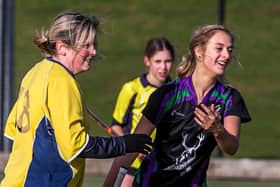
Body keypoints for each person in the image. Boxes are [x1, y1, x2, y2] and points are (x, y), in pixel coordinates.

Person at [0, 11, 153, 187]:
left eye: (93, 44)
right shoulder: (62, 81)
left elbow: (14, 129)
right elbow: (77, 145)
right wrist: (124, 144)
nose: (93, 51)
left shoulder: (36, 71)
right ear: (62, 47)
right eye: (86, 45)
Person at [106, 24, 251, 187]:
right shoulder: (168, 94)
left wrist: (218, 130)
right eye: (219, 48)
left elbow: (231, 147)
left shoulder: (230, 98)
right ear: (198, 51)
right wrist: (109, 185)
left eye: (229, 50)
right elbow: (133, 145)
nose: (226, 55)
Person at [103, 37, 175, 186]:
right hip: (132, 167)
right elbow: (117, 126)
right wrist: (131, 147)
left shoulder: (177, 92)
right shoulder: (131, 89)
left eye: (167, 61)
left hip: (163, 167)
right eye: (158, 61)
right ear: (147, 61)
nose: (163, 67)